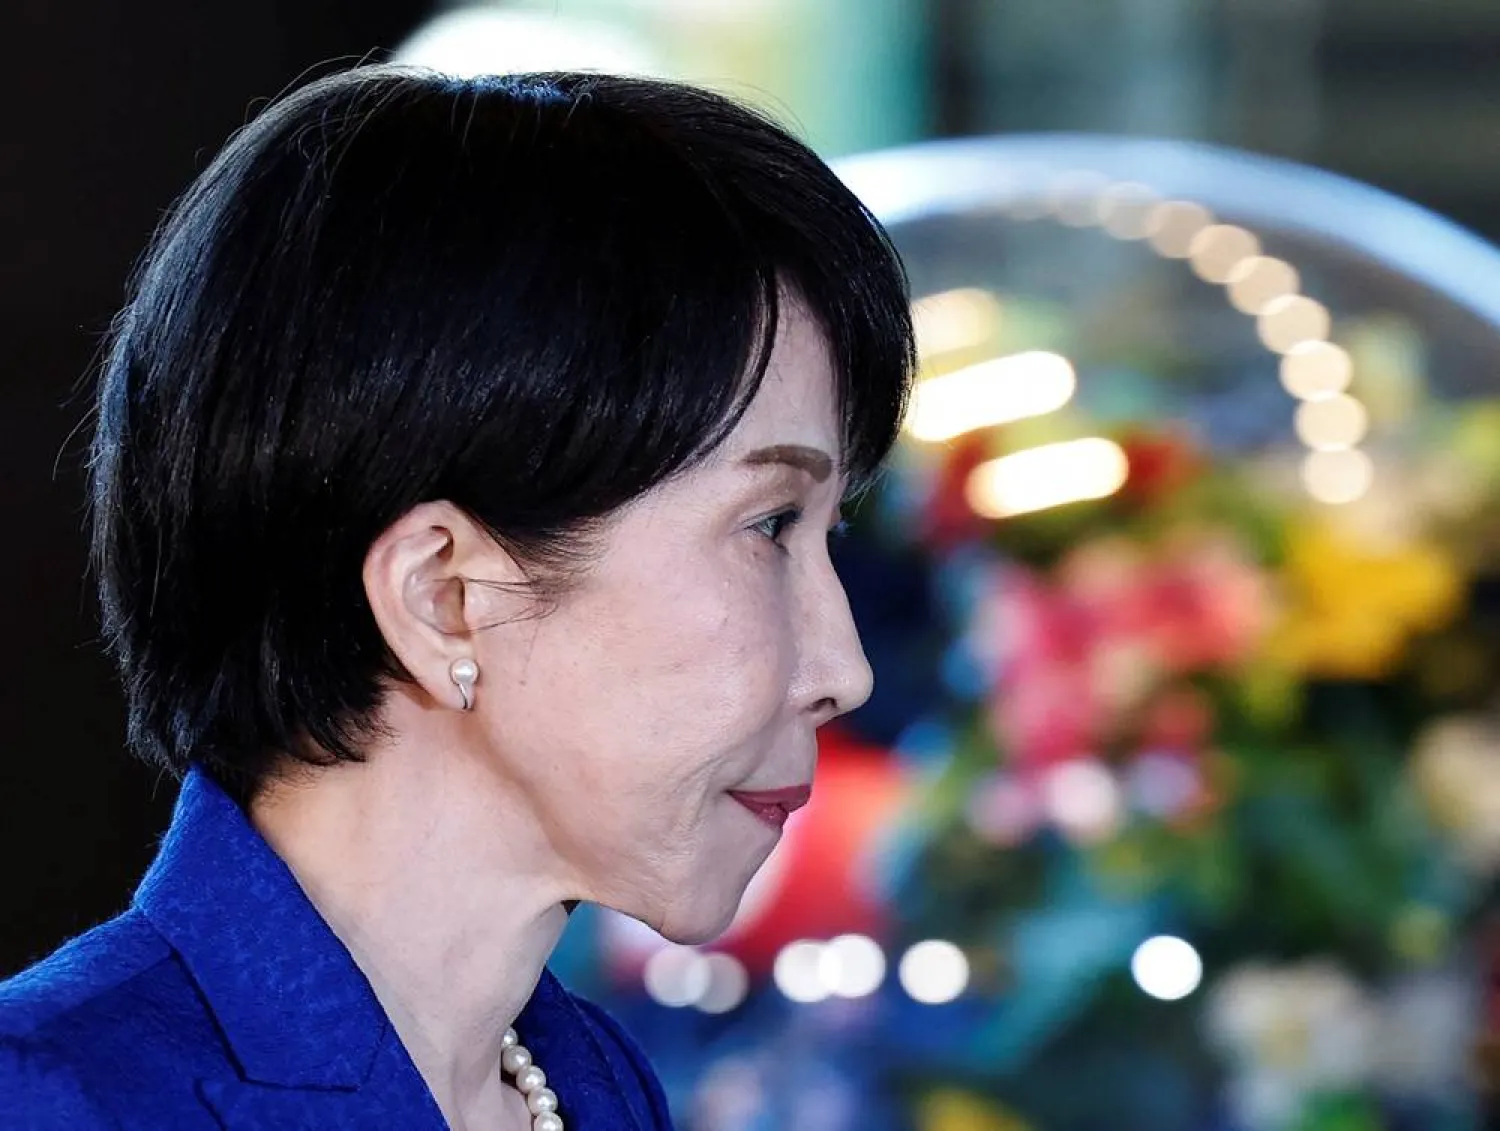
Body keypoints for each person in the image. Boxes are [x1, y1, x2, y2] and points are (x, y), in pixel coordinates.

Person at [0, 63, 914, 1130]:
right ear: (444, 596)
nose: (844, 671)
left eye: (828, 533)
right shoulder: (54, 1098)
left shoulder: (595, 1086)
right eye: (769, 527)